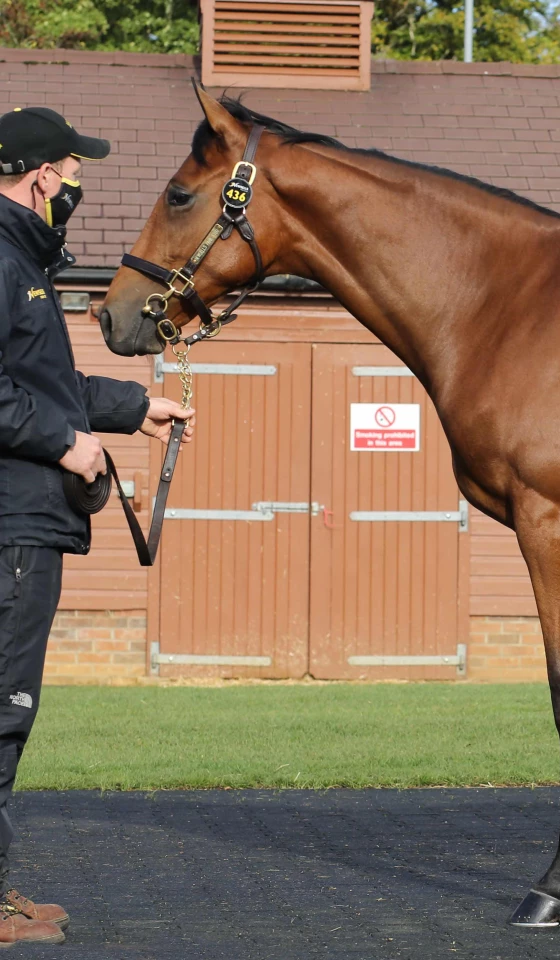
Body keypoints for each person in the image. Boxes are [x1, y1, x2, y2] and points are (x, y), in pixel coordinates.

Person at [0, 106, 194, 946]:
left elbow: (43, 382)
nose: (78, 185)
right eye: (74, 171)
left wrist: (130, 408)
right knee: (3, 707)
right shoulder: (3, 260)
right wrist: (65, 443)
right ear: (42, 175)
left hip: (23, 519)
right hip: (12, 524)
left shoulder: (21, 261)